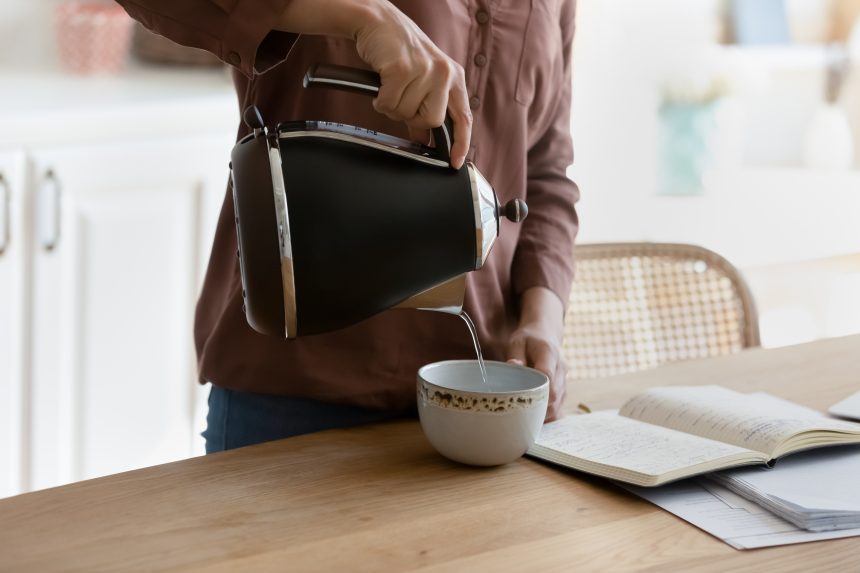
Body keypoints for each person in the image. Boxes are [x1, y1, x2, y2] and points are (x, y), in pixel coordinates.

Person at [116, 0, 579, 452]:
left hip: (480, 401)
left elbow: (543, 172)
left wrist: (542, 322)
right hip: (294, 400)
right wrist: (363, 14)